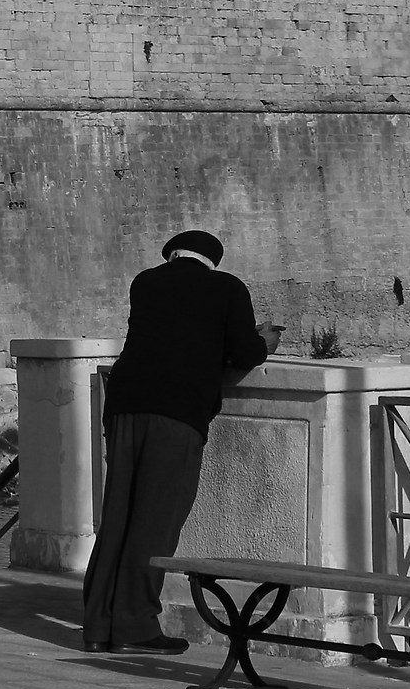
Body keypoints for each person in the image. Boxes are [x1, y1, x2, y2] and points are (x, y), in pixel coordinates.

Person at [81, 230, 282, 654]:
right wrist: (264, 341)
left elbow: (168, 334)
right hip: (176, 414)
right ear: (214, 261)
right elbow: (243, 352)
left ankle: (99, 625)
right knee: (156, 519)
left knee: (118, 515)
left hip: (124, 404)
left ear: (172, 255)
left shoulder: (145, 282)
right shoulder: (227, 288)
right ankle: (134, 626)